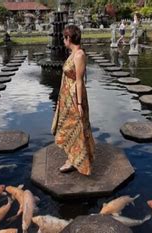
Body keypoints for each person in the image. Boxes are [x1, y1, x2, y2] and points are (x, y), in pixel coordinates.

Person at [51, 25, 95, 175]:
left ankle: (76, 161)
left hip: (75, 99)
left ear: (69, 38)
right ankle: (72, 157)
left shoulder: (79, 55)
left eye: (64, 37)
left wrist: (79, 103)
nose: (63, 40)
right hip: (67, 99)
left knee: (77, 128)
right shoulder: (73, 53)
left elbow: (79, 81)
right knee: (68, 128)